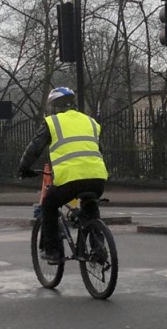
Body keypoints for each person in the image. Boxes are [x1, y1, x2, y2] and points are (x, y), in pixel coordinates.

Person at [18, 86, 109, 263]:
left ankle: (53, 252)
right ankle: (99, 249)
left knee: (49, 205)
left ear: (55, 106)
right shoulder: (90, 122)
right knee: (90, 207)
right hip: (97, 178)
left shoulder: (53, 122)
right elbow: (100, 149)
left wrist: (23, 168)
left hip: (70, 179)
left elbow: (34, 148)